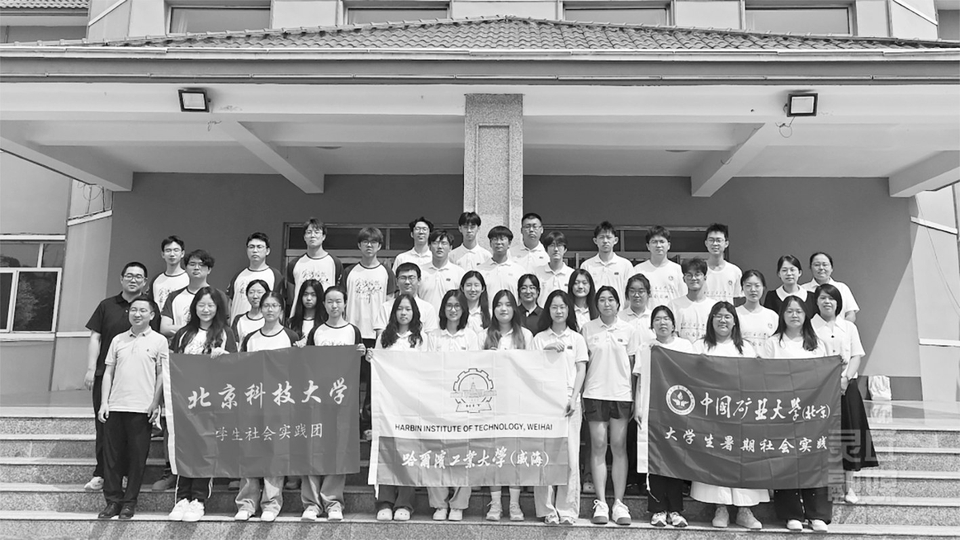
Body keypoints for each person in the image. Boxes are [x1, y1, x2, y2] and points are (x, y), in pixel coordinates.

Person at [83, 262, 160, 493]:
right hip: (106, 374)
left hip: (138, 379)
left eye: (138, 276)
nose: (133, 280)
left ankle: (125, 474)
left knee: (133, 431)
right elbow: (95, 337)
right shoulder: (106, 305)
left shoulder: (149, 308)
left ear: (145, 282)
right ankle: (101, 473)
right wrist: (90, 368)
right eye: (129, 275)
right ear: (121, 278)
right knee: (104, 426)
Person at [691, 302, 766, 530]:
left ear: (735, 321)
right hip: (711, 415)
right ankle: (720, 507)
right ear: (711, 320)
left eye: (727, 316)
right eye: (718, 316)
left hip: (740, 415)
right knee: (716, 459)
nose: (722, 320)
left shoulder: (746, 348)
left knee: (743, 459)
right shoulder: (700, 346)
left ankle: (745, 510)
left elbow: (756, 378)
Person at [167, 287, 238, 522]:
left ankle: (198, 499)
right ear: (194, 307)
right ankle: (182, 497)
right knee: (185, 447)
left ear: (218, 308)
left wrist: (224, 357)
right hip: (185, 400)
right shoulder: (183, 334)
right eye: (201, 305)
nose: (205, 310)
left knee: (205, 448)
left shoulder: (225, 333)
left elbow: (236, 365)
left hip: (211, 402)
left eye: (210, 305)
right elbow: (172, 364)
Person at [762, 296, 831, 533]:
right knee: (786, 460)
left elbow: (824, 374)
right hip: (782, 411)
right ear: (782, 315)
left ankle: (817, 514)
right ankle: (791, 513)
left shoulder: (817, 343)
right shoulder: (773, 343)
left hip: (812, 413)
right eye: (789, 311)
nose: (794, 315)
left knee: (814, 460)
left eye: (799, 311)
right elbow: (765, 375)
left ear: (805, 315)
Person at [96, 295, 167, 521]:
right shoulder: (118, 340)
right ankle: (112, 501)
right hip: (116, 406)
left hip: (142, 408)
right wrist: (104, 402)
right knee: (112, 458)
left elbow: (161, 375)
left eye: (143, 310)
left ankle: (129, 502)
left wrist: (155, 403)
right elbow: (108, 372)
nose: (137, 314)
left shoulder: (159, 341)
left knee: (137, 458)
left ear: (152, 315)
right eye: (134, 310)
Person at [302, 285, 365, 522]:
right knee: (312, 447)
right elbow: (306, 364)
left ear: (345, 303)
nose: (334, 305)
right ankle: (311, 503)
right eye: (329, 301)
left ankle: (333, 502)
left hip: (343, 400)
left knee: (338, 449)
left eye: (338, 301)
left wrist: (362, 354)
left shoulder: (353, 331)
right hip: (317, 398)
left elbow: (359, 368)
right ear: (324, 304)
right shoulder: (316, 331)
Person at [235, 292, 300, 522]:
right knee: (250, 449)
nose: (270, 310)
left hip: (280, 403)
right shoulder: (251, 338)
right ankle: (247, 502)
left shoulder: (291, 336)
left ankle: (271, 503)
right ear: (260, 308)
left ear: (281, 309)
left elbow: (298, 370)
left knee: (275, 452)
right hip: (253, 401)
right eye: (266, 306)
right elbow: (240, 366)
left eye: (274, 305)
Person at [812, 283, 878, 504]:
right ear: (816, 302)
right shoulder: (810, 326)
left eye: (831, 298)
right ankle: (822, 487)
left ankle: (848, 487)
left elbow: (856, 355)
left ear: (838, 303)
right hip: (820, 389)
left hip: (846, 387)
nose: (827, 302)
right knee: (823, 437)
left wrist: (845, 378)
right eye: (822, 298)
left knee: (850, 435)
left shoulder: (849, 327)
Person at [581, 286, 640, 526]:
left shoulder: (629, 329)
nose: (607, 304)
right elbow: (583, 364)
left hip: (621, 394)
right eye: (602, 300)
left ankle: (619, 502)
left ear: (618, 304)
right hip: (594, 393)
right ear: (597, 304)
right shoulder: (588, 329)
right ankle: (601, 502)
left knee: (618, 446)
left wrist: (635, 398)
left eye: (611, 300)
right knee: (597, 446)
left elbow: (634, 367)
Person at [532, 290, 587, 526]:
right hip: (545, 402)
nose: (558, 311)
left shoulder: (576, 338)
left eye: (562, 307)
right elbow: (531, 369)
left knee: (571, 457)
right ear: (548, 310)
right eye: (554, 307)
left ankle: (567, 510)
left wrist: (574, 398)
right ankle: (546, 509)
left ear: (569, 310)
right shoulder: (539, 339)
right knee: (544, 456)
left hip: (569, 402)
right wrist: (544, 353)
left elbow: (581, 369)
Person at [635, 305, 693, 528]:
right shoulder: (647, 347)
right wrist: (638, 407)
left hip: (678, 410)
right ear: (652, 325)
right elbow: (640, 380)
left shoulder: (684, 346)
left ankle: (676, 510)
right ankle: (658, 509)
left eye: (666, 318)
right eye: (658, 319)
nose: (662, 323)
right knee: (655, 459)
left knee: (675, 458)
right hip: (653, 409)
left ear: (674, 324)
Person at [426, 289, 480, 521]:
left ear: (464, 309)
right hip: (437, 402)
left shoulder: (471, 336)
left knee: (462, 454)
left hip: (464, 404)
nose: (453, 309)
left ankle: (458, 504)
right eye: (449, 305)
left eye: (457, 306)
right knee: (436, 453)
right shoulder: (433, 336)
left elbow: (476, 369)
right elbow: (426, 367)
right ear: (443, 309)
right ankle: (439, 504)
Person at [373, 293, 426, 521]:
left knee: (408, 452)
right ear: (394, 312)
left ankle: (404, 502)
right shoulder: (384, 338)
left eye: (408, 309)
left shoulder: (422, 339)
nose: (404, 313)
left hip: (411, 404)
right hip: (387, 404)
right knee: (387, 450)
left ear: (415, 313)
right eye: (400, 309)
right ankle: (384, 502)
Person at [482, 290, 534, 522]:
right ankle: (495, 504)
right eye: (499, 305)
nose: (503, 309)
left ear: (515, 308)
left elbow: (533, 368)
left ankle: (514, 503)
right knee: (494, 453)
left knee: (514, 453)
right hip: (490, 404)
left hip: (517, 402)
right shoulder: (484, 335)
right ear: (493, 309)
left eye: (508, 304)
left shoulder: (526, 335)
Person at [344, 227, 396, 442]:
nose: (369, 245)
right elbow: (342, 301)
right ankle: (349, 424)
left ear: (379, 246)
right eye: (365, 241)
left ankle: (367, 425)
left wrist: (385, 336)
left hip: (376, 335)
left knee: (374, 384)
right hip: (352, 334)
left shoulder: (386, 272)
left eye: (373, 242)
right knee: (351, 383)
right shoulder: (350, 272)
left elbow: (390, 304)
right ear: (359, 245)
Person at [160, 249, 229, 339]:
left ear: (209, 270)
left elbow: (223, 326)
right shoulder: (174, 296)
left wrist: (183, 329)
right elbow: (164, 328)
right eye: (192, 264)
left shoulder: (219, 295)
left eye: (201, 264)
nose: (196, 268)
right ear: (185, 268)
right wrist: (195, 329)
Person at [287, 218, 343, 315]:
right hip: (299, 317)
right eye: (309, 232)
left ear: (323, 236)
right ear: (304, 237)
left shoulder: (334, 262)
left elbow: (339, 291)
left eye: (317, 232)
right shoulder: (295, 263)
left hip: (326, 317)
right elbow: (291, 295)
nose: (312, 236)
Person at [226, 232, 286, 320]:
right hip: (238, 325)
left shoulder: (275, 275)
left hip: (263, 327)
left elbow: (280, 304)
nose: (255, 250)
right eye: (251, 247)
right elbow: (230, 302)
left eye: (259, 247)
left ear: (267, 251)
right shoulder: (239, 275)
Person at [374, 262, 439, 338]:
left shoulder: (428, 308)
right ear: (397, 281)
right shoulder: (386, 307)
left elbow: (430, 338)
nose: (407, 282)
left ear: (419, 280)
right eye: (403, 278)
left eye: (411, 278)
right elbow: (380, 336)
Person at [633, 226, 686, 309]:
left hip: (672, 315)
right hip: (647, 316)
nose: (658, 245)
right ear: (648, 246)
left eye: (662, 241)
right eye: (654, 242)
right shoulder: (638, 270)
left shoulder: (678, 270)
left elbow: (684, 296)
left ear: (668, 245)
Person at [668, 258, 716, 343]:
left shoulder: (714, 306)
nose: (693, 278)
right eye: (689, 275)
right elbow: (672, 334)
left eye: (697, 274)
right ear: (684, 279)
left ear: (705, 278)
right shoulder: (674, 305)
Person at [803, 252, 860, 322]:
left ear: (831, 268)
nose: (821, 268)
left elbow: (850, 314)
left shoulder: (842, 288)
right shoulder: (803, 289)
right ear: (810, 268)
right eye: (817, 265)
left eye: (825, 265)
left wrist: (843, 327)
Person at [581, 221, 633, 294]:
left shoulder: (626, 265)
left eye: (608, 237)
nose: (605, 241)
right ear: (595, 241)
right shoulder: (586, 266)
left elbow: (630, 291)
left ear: (615, 240)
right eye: (601, 237)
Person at [477, 225, 524, 304]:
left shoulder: (519, 271)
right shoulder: (480, 270)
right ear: (490, 243)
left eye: (502, 239)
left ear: (509, 243)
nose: (498, 242)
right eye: (495, 239)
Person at [418, 229, 464, 309]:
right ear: (429, 247)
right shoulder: (420, 271)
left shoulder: (459, 272)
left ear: (450, 248)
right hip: (425, 316)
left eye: (444, 243)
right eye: (435, 243)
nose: (439, 247)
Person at [736, 270, 779, 349]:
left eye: (757, 286)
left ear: (763, 288)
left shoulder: (772, 316)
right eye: (748, 286)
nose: (753, 289)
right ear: (742, 288)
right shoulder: (735, 313)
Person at [702, 224, 743, 304]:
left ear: (726, 243)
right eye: (711, 240)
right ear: (706, 243)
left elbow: (737, 299)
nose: (715, 243)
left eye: (718, 240)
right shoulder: (699, 270)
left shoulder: (735, 271)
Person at [534, 231, 574, 308]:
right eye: (552, 245)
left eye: (559, 245)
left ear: (565, 249)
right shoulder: (537, 272)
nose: (556, 249)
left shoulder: (571, 274)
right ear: (546, 250)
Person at [149, 236, 189, 312]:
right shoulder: (156, 280)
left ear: (182, 253)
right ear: (162, 254)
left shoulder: (189, 278)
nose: (172, 254)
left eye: (176, 250)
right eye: (168, 250)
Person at [619, 273, 654, 343]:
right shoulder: (619, 318)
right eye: (632, 291)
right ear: (627, 293)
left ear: (648, 294)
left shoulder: (653, 317)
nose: (636, 295)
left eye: (641, 291)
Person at [231, 279, 269, 344]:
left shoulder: (271, 319)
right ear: (246, 295)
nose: (255, 296)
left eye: (259, 292)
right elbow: (234, 345)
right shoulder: (239, 320)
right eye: (251, 292)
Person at [288, 279, 322, 344]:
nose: (309, 298)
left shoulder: (325, 322)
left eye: (313, 295)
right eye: (305, 294)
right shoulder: (291, 323)